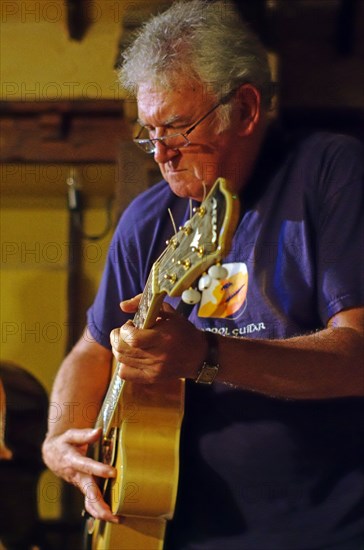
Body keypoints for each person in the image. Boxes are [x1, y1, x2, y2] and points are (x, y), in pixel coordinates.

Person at [42, 1, 364, 548]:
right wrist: (57, 440)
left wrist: (207, 356)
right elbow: (92, 351)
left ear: (243, 109)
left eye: (176, 128)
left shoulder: (330, 172)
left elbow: (358, 356)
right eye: (149, 133)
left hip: (320, 530)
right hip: (162, 528)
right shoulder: (147, 217)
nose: (161, 154)